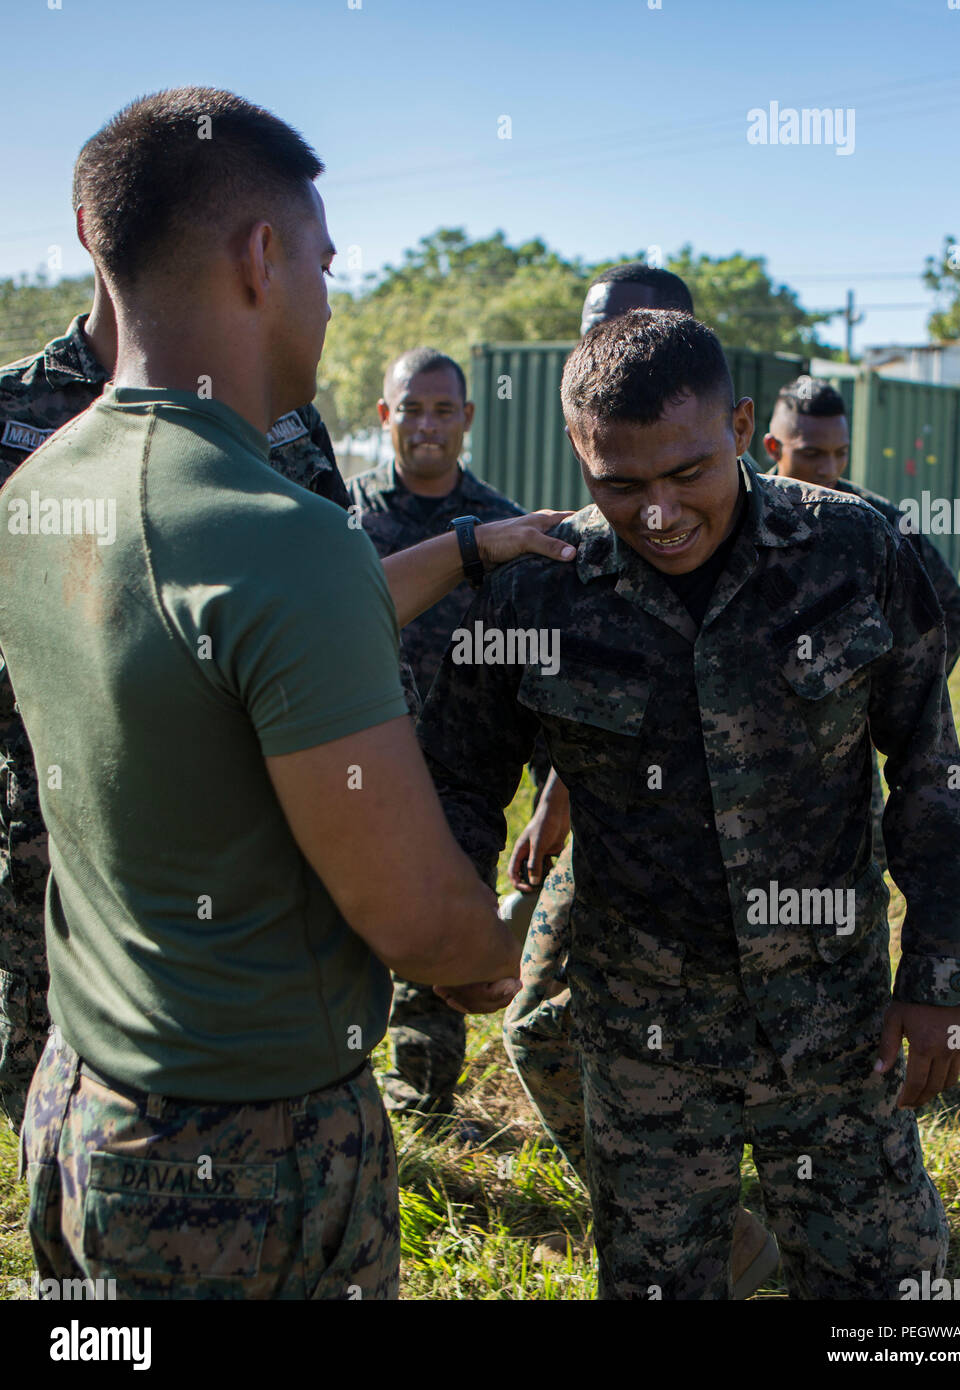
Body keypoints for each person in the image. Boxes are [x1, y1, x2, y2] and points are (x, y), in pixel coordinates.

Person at [0, 86, 575, 1300]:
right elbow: (420, 918)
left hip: (80, 1108)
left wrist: (471, 547)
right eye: (322, 259)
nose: (327, 292)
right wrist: (500, 957)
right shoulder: (283, 532)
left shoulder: (45, 487)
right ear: (262, 259)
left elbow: (230, 631)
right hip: (247, 1159)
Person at [417, 309, 960, 1299]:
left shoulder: (852, 549)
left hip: (835, 1026)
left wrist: (938, 970)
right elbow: (463, 778)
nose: (660, 514)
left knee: (890, 1296)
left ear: (739, 427)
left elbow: (924, 765)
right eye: (620, 484)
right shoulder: (535, 593)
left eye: (688, 475)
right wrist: (459, 921)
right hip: (645, 1045)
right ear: (577, 454)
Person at [0, 275, 367, 1135]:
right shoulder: (16, 406)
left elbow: (326, 580)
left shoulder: (279, 414)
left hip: (230, 818)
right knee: (43, 1055)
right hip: (48, 811)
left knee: (205, 1058)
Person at [503, 266, 778, 1295]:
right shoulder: (580, 546)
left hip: (768, 868)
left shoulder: (804, 533)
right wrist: (559, 795)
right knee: (543, 1026)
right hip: (630, 841)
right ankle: (702, 1225)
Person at [349, 348, 544, 1125]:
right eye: (412, 408)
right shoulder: (345, 517)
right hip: (354, 762)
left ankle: (418, 1103)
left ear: (466, 418)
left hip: (454, 777)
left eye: (443, 409)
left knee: (437, 924)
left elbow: (528, 669)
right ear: (385, 416)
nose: (427, 425)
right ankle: (331, 1085)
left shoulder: (502, 529)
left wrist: (545, 787)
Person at [764, 377, 960, 673]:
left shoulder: (879, 521)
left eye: (841, 452)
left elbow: (951, 611)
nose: (829, 468)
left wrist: (896, 700)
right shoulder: (743, 514)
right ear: (773, 447)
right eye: (812, 454)